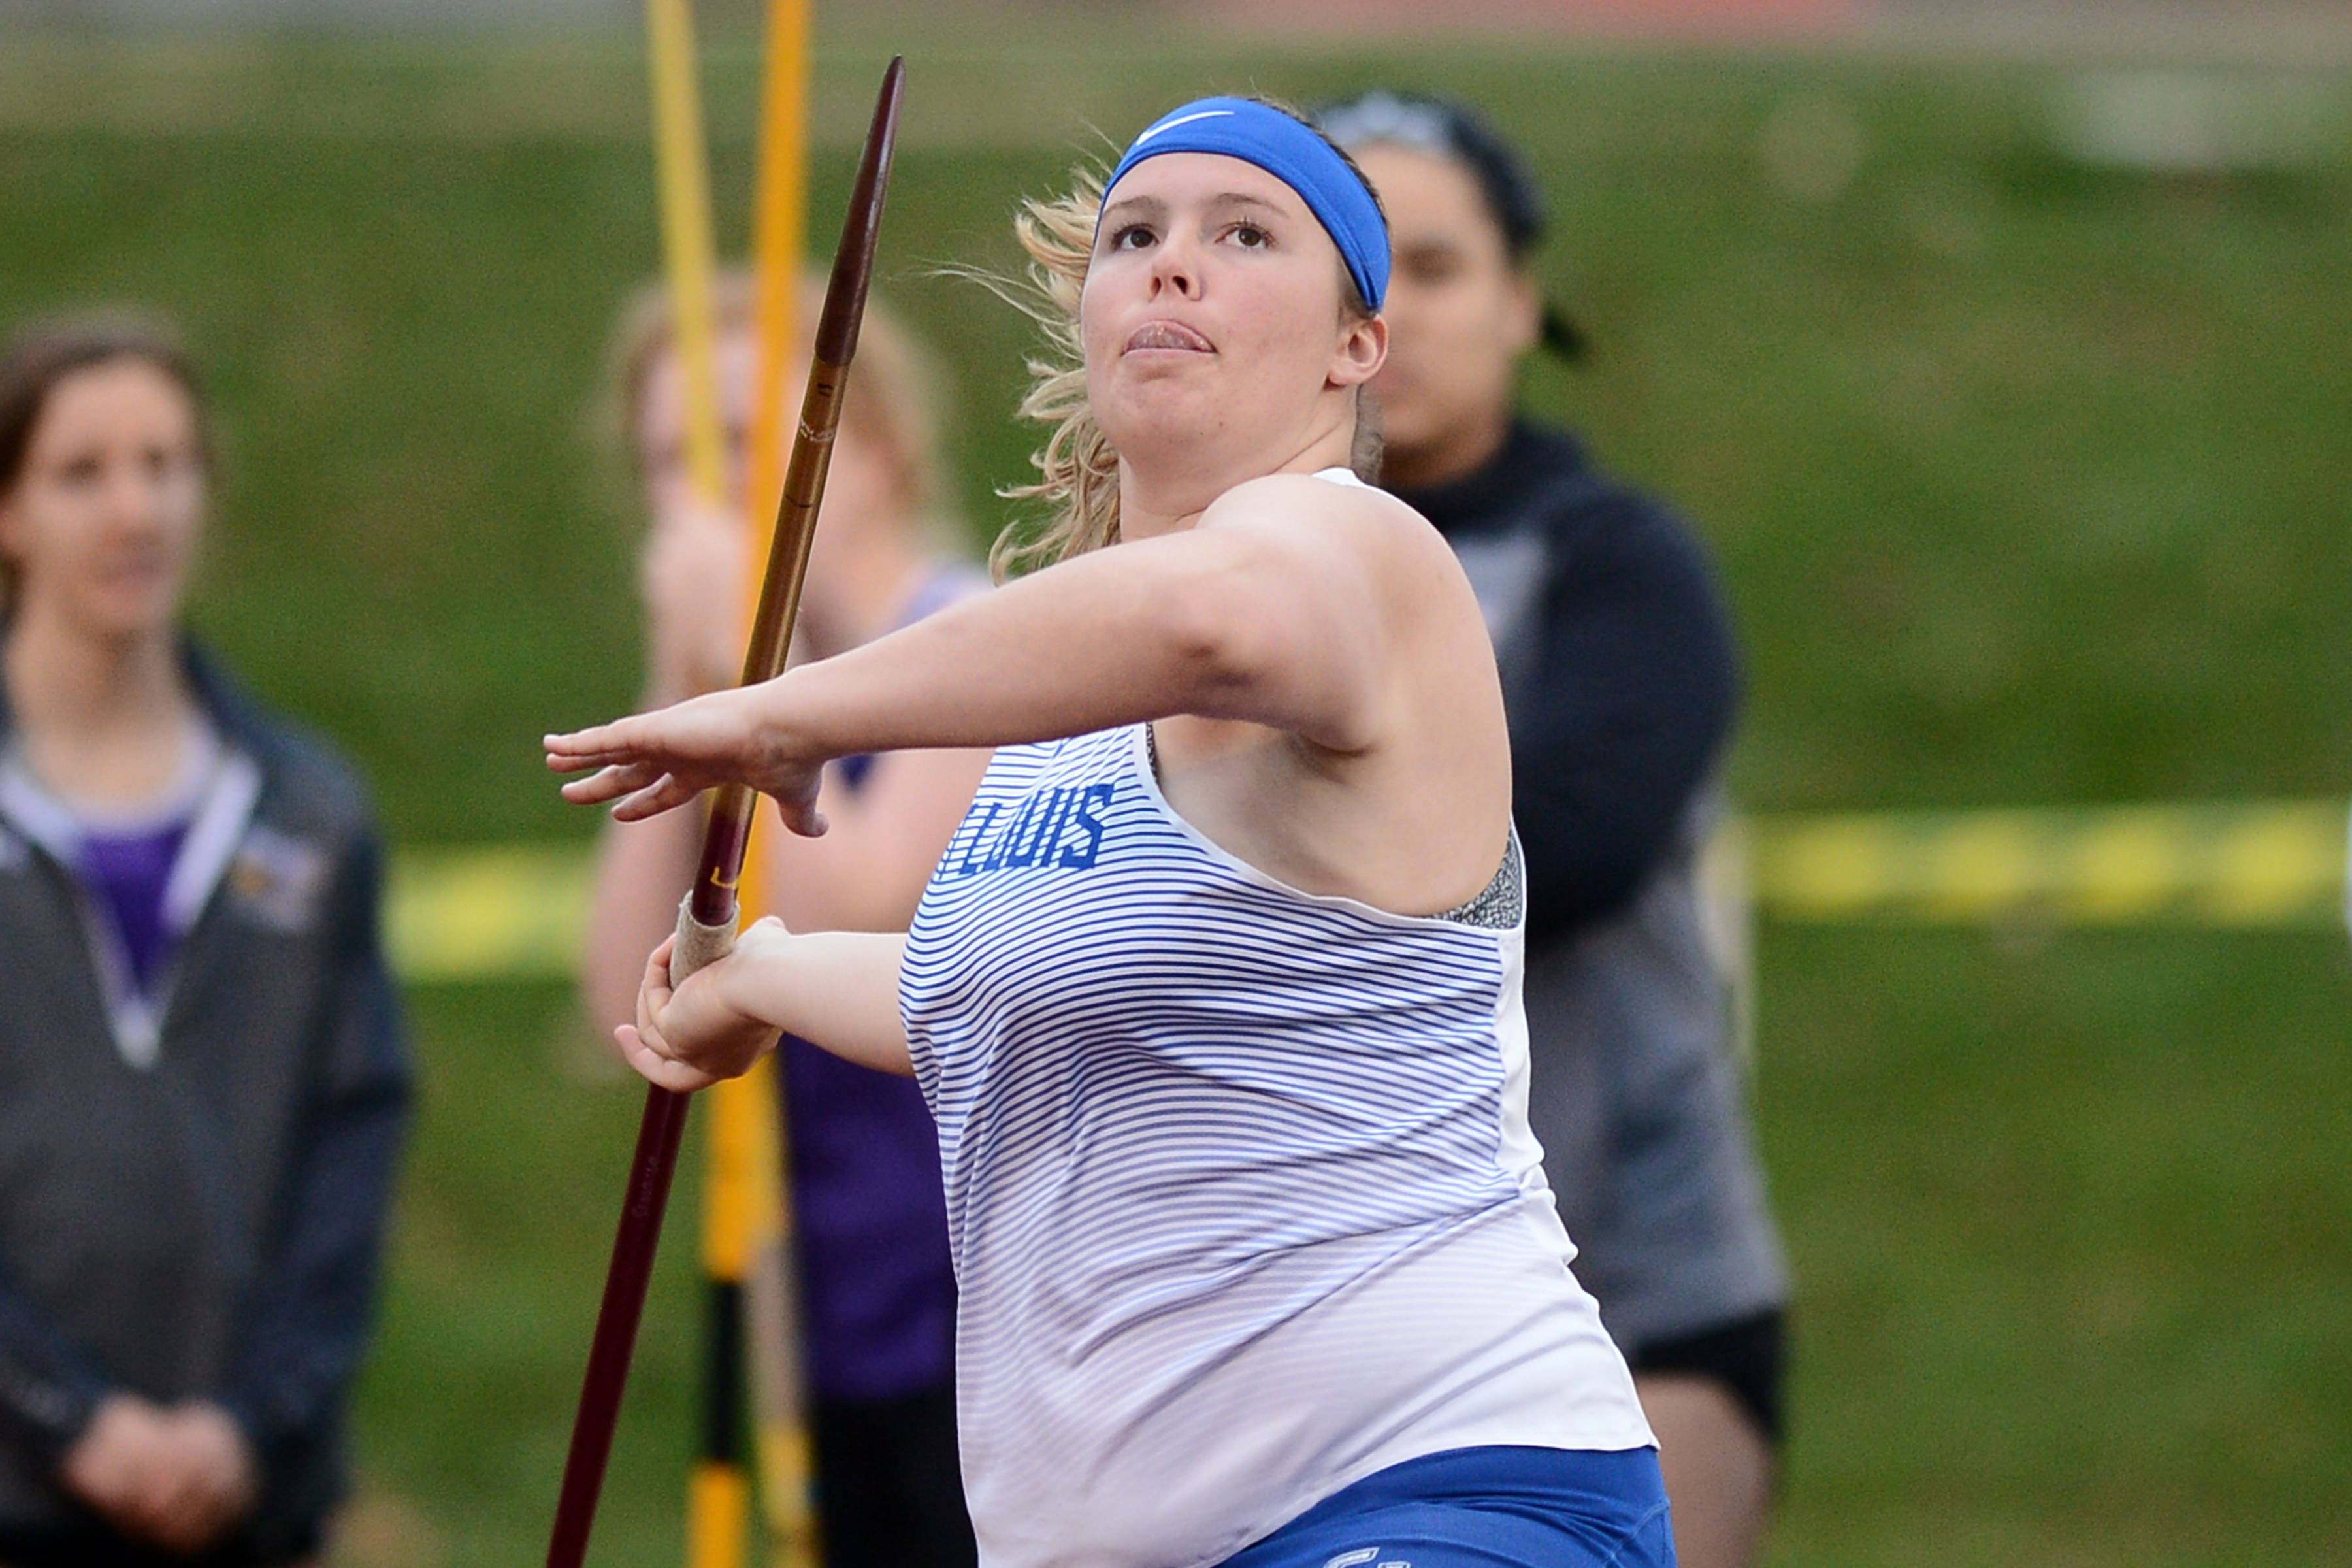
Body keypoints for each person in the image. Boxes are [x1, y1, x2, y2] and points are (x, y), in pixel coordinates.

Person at [549, 98, 1676, 1568]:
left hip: (1435, 1491)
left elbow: (1216, 619)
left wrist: (788, 711)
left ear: (1357, 347)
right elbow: (975, 994)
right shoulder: (1060, 718)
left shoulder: (1361, 557)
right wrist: (760, 976)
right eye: (1135, 237)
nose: (1172, 265)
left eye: (1244, 235)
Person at [1316, 90, 1790, 1568]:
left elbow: (1564, 850)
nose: (1398, 314)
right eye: (1359, 274)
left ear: (1523, 304)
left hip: (1624, 1305)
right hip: (1300, 1322)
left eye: (1441, 269)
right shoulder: (1203, 581)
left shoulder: (1612, 563)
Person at [581, 273, 988, 1567]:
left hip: (979, 1304)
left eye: (742, 444)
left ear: (869, 449)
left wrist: (729, 674)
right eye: (668, 461)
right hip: (826, 1312)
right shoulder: (738, 689)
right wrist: (682, 683)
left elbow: (865, 895)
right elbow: (616, 1008)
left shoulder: (967, 634)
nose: (700, 492)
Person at [0, 316, 410, 1567]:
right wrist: (65, 1417)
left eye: (166, 463)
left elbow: (352, 1146)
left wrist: (251, 1424)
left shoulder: (307, 811)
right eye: (85, 472)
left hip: (247, 1504)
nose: (136, 510)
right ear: (9, 512)